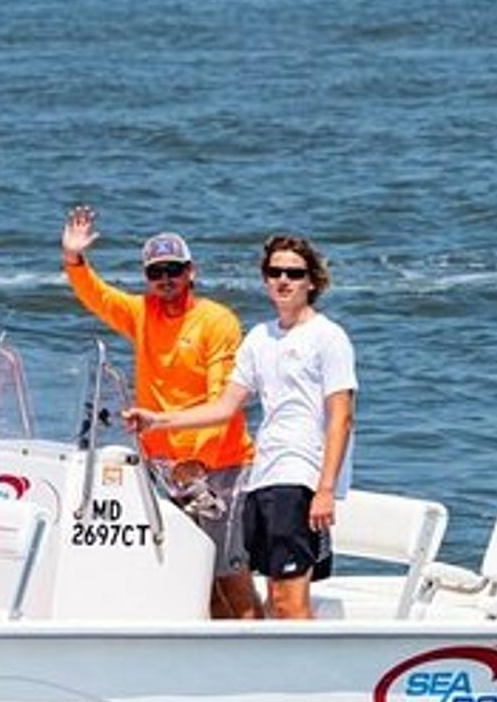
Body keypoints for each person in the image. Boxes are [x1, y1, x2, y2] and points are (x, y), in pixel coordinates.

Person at [125, 235, 356, 621]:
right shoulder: (260, 338)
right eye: (274, 272)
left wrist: (326, 489)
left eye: (294, 273)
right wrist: (158, 419)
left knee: (289, 601)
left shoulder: (328, 337)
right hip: (263, 476)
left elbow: (342, 416)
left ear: (311, 281)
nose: (283, 280)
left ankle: (305, 678)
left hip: (302, 475)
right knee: (270, 595)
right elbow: (225, 406)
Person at [62, 206, 257, 619]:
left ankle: (255, 653)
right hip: (162, 466)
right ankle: (218, 661)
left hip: (219, 466)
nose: (165, 279)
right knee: (192, 575)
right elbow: (98, 296)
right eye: (156, 272)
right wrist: (74, 259)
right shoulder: (141, 314)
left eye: (173, 269)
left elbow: (221, 402)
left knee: (229, 575)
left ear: (191, 272)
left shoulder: (216, 321)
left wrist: (196, 463)